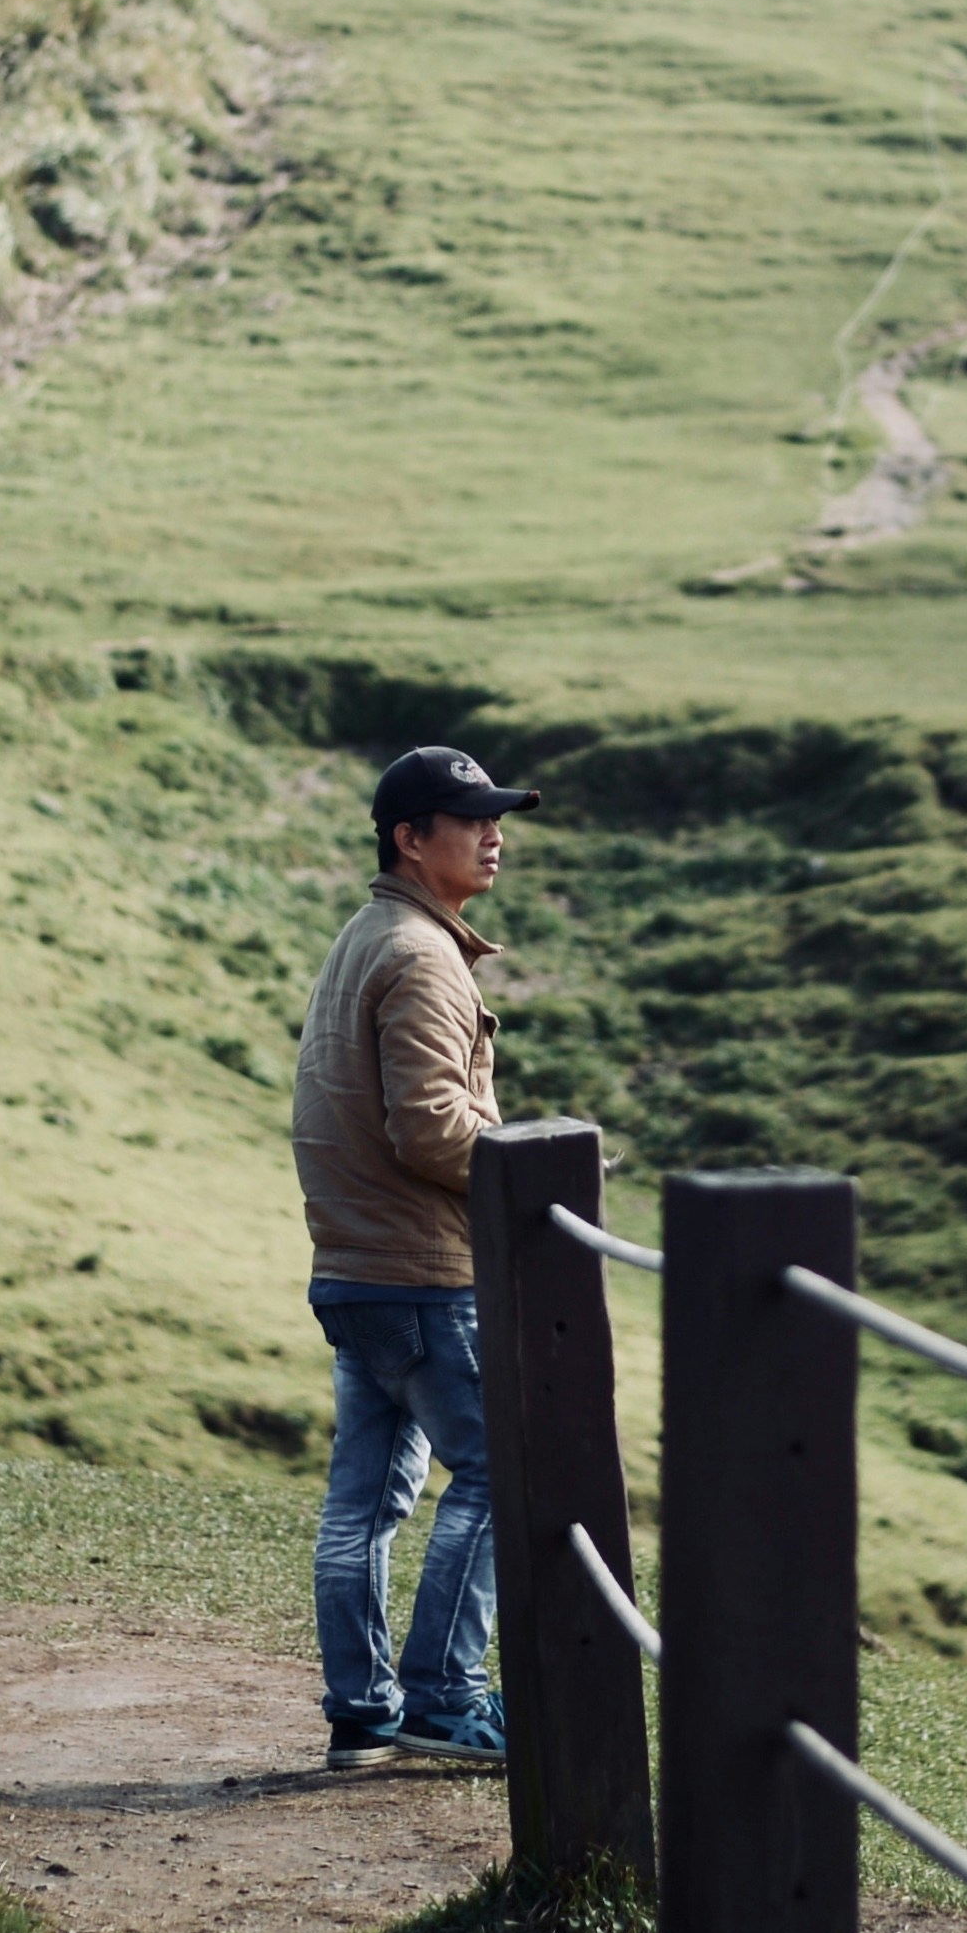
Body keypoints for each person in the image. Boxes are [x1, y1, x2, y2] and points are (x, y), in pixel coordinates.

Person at [290, 743, 539, 1774]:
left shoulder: (367, 934)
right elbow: (433, 1127)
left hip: (353, 1267)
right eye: (470, 816)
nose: (494, 833)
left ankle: (361, 1709)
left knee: (363, 1499)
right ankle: (445, 1696)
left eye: (496, 815)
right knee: (497, 1472)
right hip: (426, 1274)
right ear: (409, 837)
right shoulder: (422, 955)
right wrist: (543, 1167)